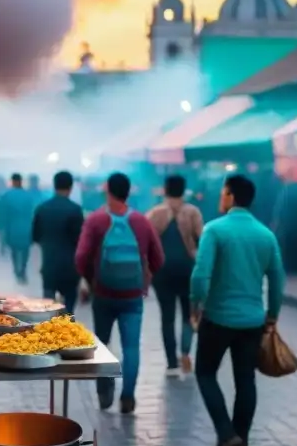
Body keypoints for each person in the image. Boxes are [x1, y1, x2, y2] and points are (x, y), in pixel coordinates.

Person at [191, 174, 285, 446]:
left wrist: (197, 304)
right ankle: (241, 441)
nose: (220, 198)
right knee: (246, 379)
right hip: (253, 321)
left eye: (223, 193)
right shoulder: (266, 235)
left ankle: (225, 433)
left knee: (206, 373)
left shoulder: (214, 230)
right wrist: (272, 314)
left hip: (218, 317)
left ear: (231, 196)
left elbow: (200, 274)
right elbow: (278, 279)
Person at [75, 172, 164, 414]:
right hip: (132, 296)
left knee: (102, 344)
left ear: (107, 190)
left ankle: (105, 392)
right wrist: (145, 279)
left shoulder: (95, 221)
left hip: (103, 294)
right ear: (129, 192)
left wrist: (90, 280)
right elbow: (158, 258)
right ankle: (128, 396)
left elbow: (81, 256)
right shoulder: (141, 222)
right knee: (131, 347)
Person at [146, 174, 205, 376]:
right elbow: (202, 240)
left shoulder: (155, 214)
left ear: (165, 190)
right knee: (189, 314)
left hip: (162, 272)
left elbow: (145, 243)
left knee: (167, 317)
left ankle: (171, 363)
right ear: (184, 190)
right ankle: (186, 352)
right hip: (188, 270)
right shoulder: (193, 212)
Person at [32, 171, 85, 313]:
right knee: (68, 311)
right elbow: (80, 240)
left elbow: (35, 236)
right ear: (71, 187)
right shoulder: (75, 210)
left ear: (54, 186)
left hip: (49, 266)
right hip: (70, 269)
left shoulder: (42, 209)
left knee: (48, 310)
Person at [0, 173, 36, 283]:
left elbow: (1, 213)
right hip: (27, 227)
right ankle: (23, 270)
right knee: (25, 250)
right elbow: (33, 212)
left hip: (12, 227)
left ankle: (16, 270)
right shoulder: (28, 196)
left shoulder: (6, 196)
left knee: (14, 250)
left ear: (12, 181)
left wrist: (0, 228)